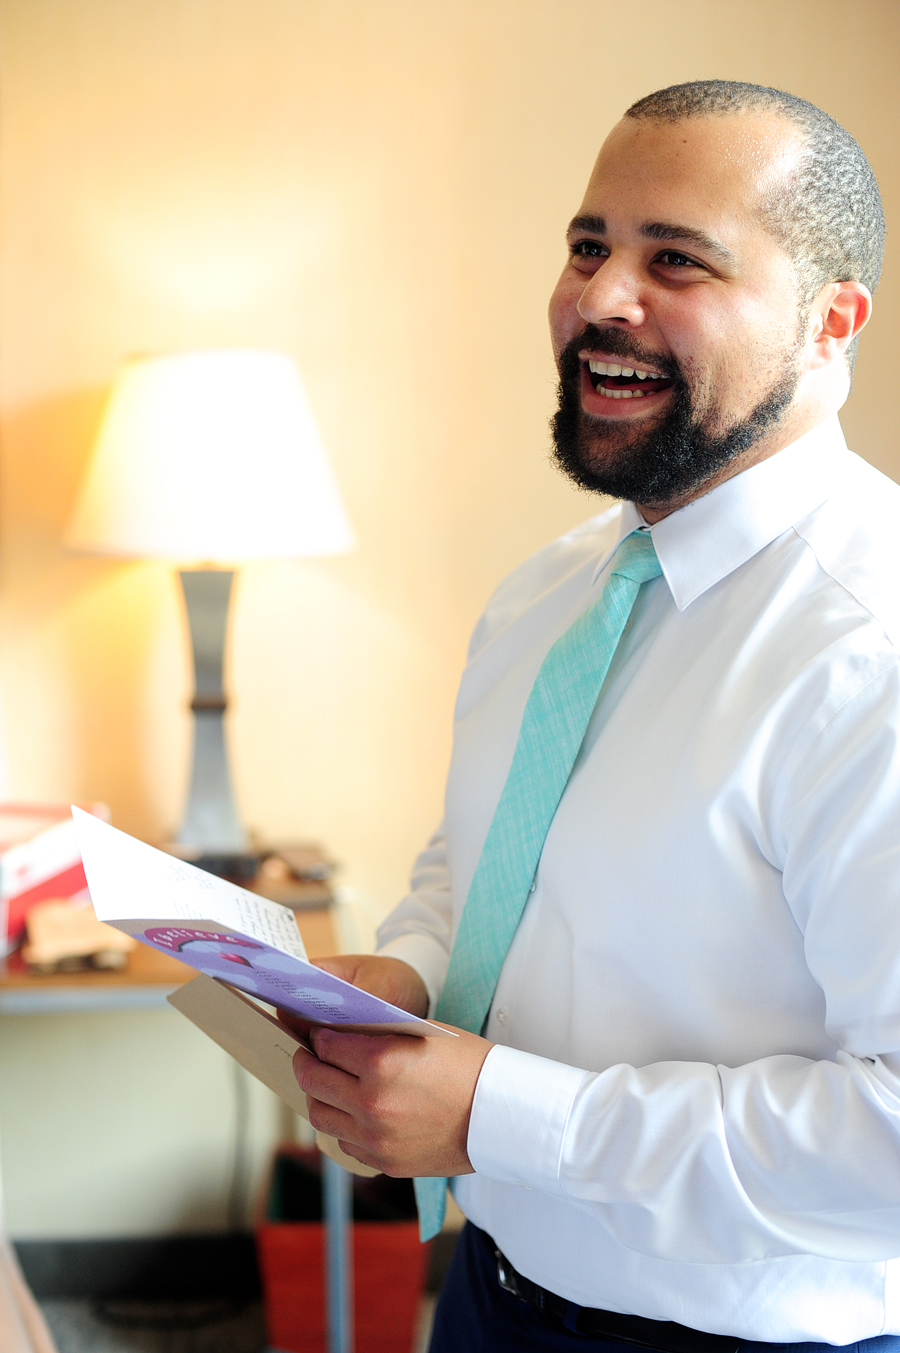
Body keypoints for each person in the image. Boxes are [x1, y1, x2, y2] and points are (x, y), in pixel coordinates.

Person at [291, 81, 900, 1350]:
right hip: (488, 1294)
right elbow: (480, 857)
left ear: (832, 322)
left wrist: (500, 1117)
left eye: (675, 259)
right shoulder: (549, 591)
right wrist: (402, 973)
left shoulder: (870, 651)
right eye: (588, 245)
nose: (600, 298)